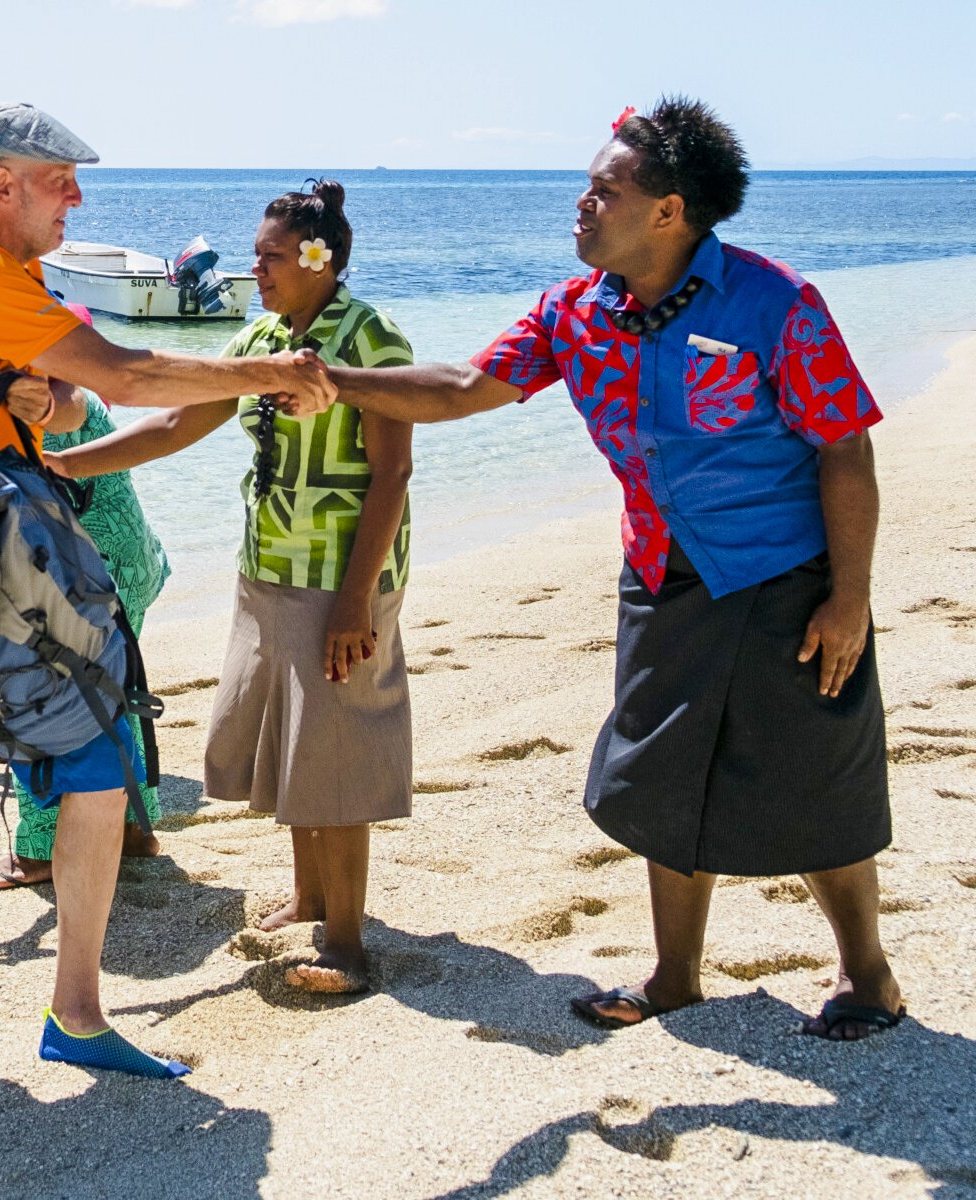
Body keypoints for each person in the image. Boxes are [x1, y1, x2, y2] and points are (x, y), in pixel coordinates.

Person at [321, 98, 903, 1042]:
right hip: (661, 575)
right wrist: (335, 379)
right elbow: (466, 388)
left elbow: (844, 451)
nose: (582, 204)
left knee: (813, 775)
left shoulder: (775, 301)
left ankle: (867, 974)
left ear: (669, 212)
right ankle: (675, 978)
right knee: (660, 780)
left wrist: (850, 599)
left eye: (605, 190)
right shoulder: (574, 311)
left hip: (783, 575)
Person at [0, 102, 333, 1076]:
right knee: (93, 771)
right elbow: (130, 371)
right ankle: (72, 1016)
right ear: (0, 184)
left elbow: (71, 397)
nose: (78, 196)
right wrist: (265, 367)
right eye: (60, 179)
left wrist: (41, 398)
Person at [51, 182, 413, 994]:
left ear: (321, 259)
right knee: (292, 738)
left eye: (272, 255)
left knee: (337, 751)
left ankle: (348, 944)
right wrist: (66, 463)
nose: (256, 268)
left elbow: (392, 472)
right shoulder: (263, 336)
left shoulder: (373, 338)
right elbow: (179, 422)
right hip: (268, 568)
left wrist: (356, 601)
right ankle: (311, 895)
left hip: (340, 575)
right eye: (257, 254)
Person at [0, 315, 170, 893]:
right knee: (116, 693)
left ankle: (38, 852)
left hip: (87, 576)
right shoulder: (50, 386)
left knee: (47, 701)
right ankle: (135, 828)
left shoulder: (45, 396)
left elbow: (65, 409)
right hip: (127, 562)